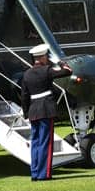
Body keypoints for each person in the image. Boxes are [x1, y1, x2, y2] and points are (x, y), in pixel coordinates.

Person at [21, 43, 73, 181]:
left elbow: (24, 96)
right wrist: (60, 62)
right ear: (43, 57)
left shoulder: (26, 74)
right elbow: (68, 71)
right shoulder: (47, 70)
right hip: (45, 110)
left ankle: (35, 173)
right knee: (45, 142)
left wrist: (26, 113)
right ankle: (45, 174)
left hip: (33, 111)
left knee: (36, 143)